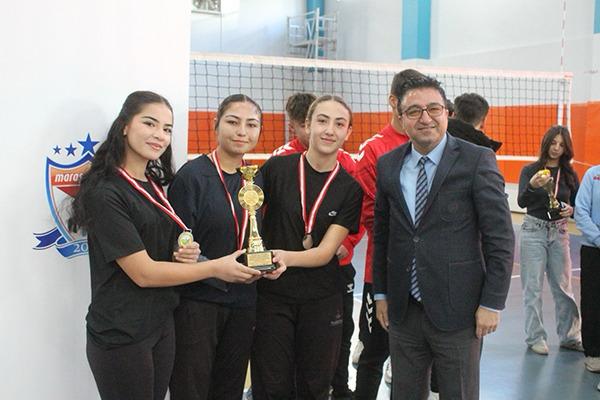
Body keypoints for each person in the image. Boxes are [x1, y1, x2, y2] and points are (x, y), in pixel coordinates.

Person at [68, 91, 265, 400]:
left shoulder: (153, 184)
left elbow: (163, 246)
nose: (159, 135)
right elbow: (143, 273)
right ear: (124, 126)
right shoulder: (106, 192)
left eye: (167, 128)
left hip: (161, 323)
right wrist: (215, 267)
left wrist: (183, 251)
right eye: (149, 123)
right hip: (122, 330)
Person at [373, 76, 514, 400]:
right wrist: (381, 293)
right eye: (414, 111)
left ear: (447, 113)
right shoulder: (388, 165)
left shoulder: (477, 160)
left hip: (460, 311)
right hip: (403, 309)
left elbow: (500, 237)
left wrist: (491, 302)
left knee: (459, 393)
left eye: (433, 109)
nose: (425, 118)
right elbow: (383, 234)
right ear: (401, 118)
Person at [167, 94, 285, 400]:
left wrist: (268, 263)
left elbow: (253, 235)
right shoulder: (192, 177)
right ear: (216, 124)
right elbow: (178, 248)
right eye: (233, 122)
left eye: (251, 124)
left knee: (229, 389)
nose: (242, 131)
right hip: (198, 303)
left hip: (244, 302)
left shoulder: (255, 179)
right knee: (191, 389)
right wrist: (216, 270)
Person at [251, 95, 363, 400]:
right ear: (308, 124)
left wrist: (282, 257)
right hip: (273, 297)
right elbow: (249, 220)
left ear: (348, 132)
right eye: (322, 120)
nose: (329, 130)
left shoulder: (350, 188)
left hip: (322, 299)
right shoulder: (276, 168)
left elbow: (325, 253)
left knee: (314, 387)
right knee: (271, 386)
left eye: (339, 124)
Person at [353, 68, 424, 400]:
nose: (419, 113)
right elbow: (372, 217)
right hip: (382, 274)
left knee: (416, 357)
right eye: (411, 104)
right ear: (394, 101)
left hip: (427, 276)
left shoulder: (430, 143)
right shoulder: (374, 149)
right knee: (373, 353)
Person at [517, 125, 582, 356]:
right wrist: (532, 186)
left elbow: (578, 205)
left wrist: (571, 210)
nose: (556, 148)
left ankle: (570, 336)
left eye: (561, 145)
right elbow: (522, 201)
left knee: (564, 287)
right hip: (533, 230)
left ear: (566, 148)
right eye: (553, 143)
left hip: (559, 232)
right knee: (532, 288)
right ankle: (535, 337)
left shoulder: (569, 174)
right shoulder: (530, 170)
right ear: (546, 143)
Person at [574, 165, 600, 379]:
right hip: (593, 249)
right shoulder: (593, 175)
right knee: (592, 301)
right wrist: (598, 238)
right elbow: (581, 211)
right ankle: (594, 352)